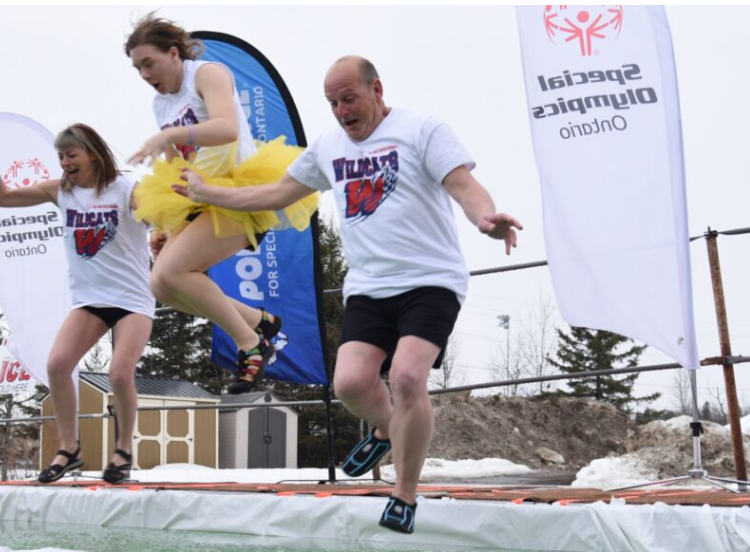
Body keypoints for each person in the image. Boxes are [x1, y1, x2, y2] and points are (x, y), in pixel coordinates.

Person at [173, 56, 522, 534]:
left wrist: (486, 218)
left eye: (349, 98)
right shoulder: (328, 147)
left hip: (430, 280)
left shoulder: (423, 130)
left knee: (405, 377)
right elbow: (274, 195)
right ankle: (385, 429)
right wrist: (210, 194)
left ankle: (404, 493)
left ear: (377, 89)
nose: (341, 111)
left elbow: (463, 185)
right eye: (332, 103)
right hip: (370, 287)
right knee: (351, 385)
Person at [123, 13, 318, 395]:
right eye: (136, 68)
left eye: (149, 63)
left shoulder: (207, 73)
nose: (144, 74)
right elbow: (176, 164)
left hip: (236, 192)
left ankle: (251, 345)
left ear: (174, 53)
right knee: (161, 285)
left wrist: (171, 136)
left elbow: (226, 127)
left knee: (172, 275)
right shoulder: (160, 104)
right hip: (194, 197)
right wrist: (167, 225)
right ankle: (259, 322)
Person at [0, 124, 155, 485]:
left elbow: (159, 216)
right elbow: (2, 199)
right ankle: (69, 448)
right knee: (58, 364)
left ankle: (123, 450)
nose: (64, 162)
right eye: (60, 156)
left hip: (132, 298)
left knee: (120, 373)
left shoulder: (125, 189)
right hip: (90, 299)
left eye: (71, 155)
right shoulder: (60, 192)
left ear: (92, 153)